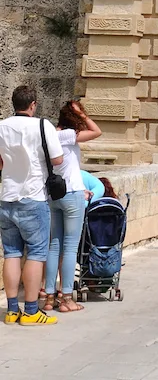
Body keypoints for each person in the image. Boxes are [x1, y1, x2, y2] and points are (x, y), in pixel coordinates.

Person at [0, 84, 64, 325]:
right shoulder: (42, 125)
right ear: (33, 104)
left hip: (7, 198)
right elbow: (57, 159)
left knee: (12, 254)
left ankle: (12, 310)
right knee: (36, 254)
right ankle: (30, 311)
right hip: (33, 197)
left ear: (13, 103)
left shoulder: (2, 126)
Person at [44, 99, 102, 312]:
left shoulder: (49, 135)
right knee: (70, 247)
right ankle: (66, 297)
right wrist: (83, 115)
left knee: (54, 246)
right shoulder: (69, 135)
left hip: (54, 195)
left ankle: (49, 297)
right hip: (72, 194)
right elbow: (97, 131)